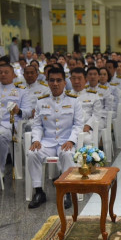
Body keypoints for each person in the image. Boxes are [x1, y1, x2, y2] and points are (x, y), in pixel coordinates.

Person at [27, 67, 84, 209]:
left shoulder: (74, 101)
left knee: (67, 154)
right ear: (47, 82)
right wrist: (36, 140)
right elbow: (37, 125)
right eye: (51, 80)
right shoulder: (41, 102)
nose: (55, 83)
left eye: (59, 80)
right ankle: (39, 191)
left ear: (65, 83)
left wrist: (71, 140)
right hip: (48, 142)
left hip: (66, 140)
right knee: (32, 153)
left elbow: (78, 125)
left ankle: (67, 192)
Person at [68, 67, 103, 144]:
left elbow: (97, 114)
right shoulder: (65, 96)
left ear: (86, 80)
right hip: (68, 128)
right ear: (70, 80)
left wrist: (88, 125)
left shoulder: (93, 95)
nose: (76, 82)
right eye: (74, 79)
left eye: (79, 79)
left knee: (87, 140)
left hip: (85, 128)